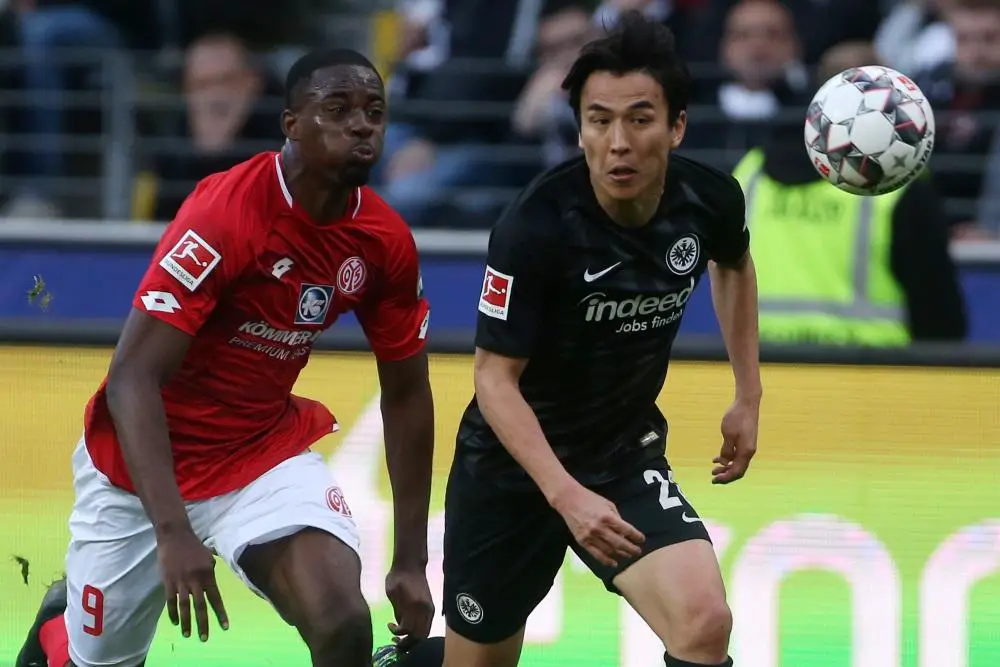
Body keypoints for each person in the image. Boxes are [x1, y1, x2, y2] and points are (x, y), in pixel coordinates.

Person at [15, 48, 436, 667]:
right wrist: (172, 531)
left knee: (342, 621)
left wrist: (411, 560)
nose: (361, 125)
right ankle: (60, 625)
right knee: (94, 660)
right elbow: (132, 378)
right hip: (142, 472)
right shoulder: (227, 214)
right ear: (291, 124)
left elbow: (406, 394)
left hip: (257, 455)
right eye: (337, 109)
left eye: (374, 111)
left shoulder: (384, 240)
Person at [443, 11, 760, 667]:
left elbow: (733, 263)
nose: (619, 142)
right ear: (580, 129)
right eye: (599, 120)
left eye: (640, 120)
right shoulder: (534, 226)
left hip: (619, 454)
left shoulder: (710, 199)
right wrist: (565, 496)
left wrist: (747, 393)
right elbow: (493, 378)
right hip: (511, 470)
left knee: (704, 623)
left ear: (676, 126)